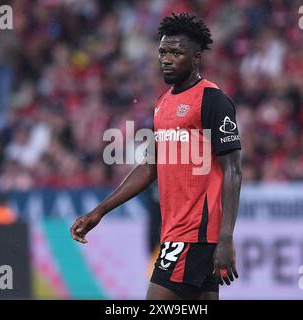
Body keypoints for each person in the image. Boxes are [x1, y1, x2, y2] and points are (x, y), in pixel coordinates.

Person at [71, 12, 242, 300]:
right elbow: (150, 166)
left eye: (177, 52)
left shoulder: (213, 100)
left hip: (195, 235)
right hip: (176, 231)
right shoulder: (163, 104)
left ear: (196, 57)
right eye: (163, 51)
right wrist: (99, 211)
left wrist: (225, 238)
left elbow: (233, 169)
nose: (166, 58)